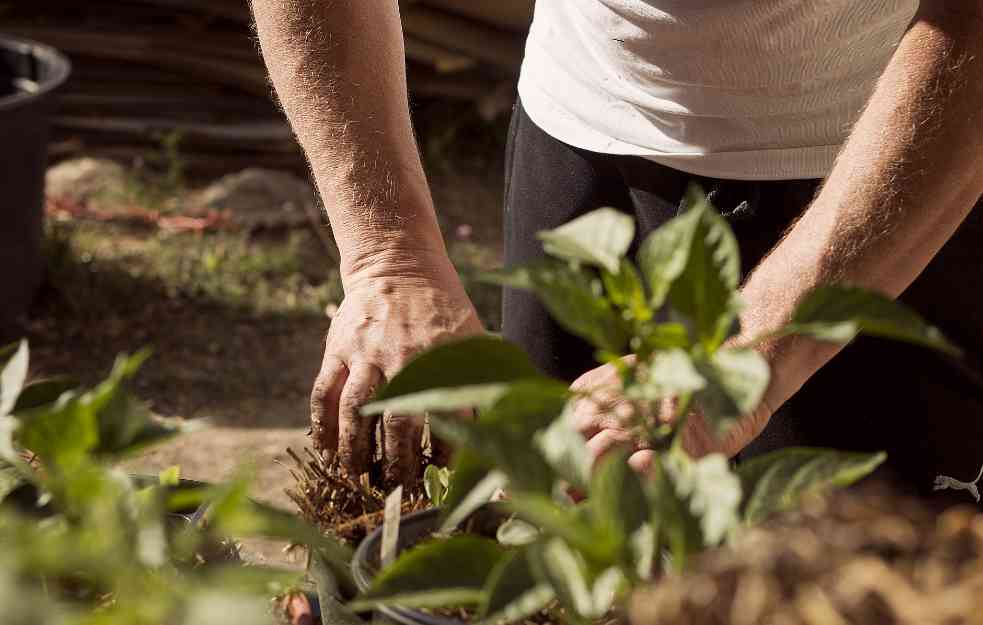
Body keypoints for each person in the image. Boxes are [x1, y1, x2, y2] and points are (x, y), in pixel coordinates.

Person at [251, 1, 983, 495]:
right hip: (576, 141)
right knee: (559, 548)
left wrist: (745, 353)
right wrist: (388, 254)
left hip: (885, 177)